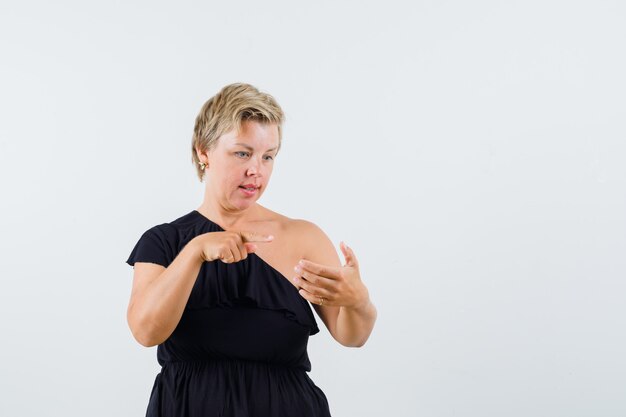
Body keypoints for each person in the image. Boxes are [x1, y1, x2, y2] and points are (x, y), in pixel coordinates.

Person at [125, 82, 377, 417]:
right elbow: (145, 331)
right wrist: (195, 252)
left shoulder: (304, 237)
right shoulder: (165, 241)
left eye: (268, 156)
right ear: (204, 151)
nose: (255, 170)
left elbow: (352, 336)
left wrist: (358, 301)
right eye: (242, 153)